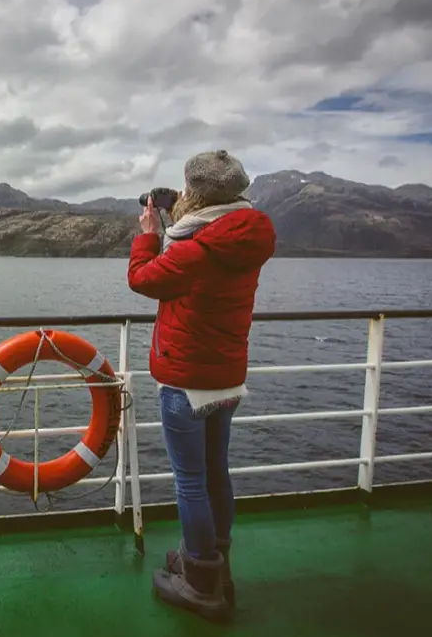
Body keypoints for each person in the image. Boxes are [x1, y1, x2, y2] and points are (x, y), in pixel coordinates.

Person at [127, 149, 276, 623]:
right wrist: (183, 219)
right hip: (227, 379)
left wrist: (149, 235)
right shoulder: (242, 238)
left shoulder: (194, 250)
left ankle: (201, 583)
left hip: (186, 381)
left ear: (196, 193)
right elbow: (206, 253)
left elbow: (142, 279)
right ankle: (215, 562)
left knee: (191, 482)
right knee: (216, 474)